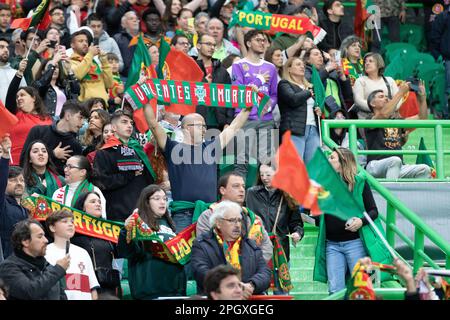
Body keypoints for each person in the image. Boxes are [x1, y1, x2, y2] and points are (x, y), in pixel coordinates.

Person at [143, 90, 254, 232]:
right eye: (199, 125)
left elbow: (234, 127)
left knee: (212, 253)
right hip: (183, 215)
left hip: (210, 213)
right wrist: (145, 98)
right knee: (183, 254)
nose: (203, 129)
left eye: (204, 126)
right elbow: (153, 124)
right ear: (185, 128)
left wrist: (248, 107)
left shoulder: (211, 147)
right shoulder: (172, 148)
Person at [313, 147, 392, 294]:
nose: (328, 160)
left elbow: (373, 211)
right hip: (332, 244)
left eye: (332, 158)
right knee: (335, 289)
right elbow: (319, 215)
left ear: (343, 162)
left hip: (354, 243)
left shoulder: (360, 182)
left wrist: (361, 221)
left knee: (359, 288)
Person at [191, 200, 271, 298]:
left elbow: (265, 272)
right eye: (232, 220)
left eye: (239, 220)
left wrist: (251, 285)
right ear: (218, 223)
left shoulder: (250, 245)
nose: (237, 225)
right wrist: (233, 286)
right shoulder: (202, 244)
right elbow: (201, 272)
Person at [118, 185, 186, 299]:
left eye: (165, 198)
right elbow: (126, 252)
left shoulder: (171, 225)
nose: (162, 202)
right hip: (149, 292)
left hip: (175, 291)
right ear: (147, 202)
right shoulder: (137, 225)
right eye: (157, 198)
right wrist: (126, 230)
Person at [196, 172, 273, 262]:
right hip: (220, 272)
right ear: (222, 190)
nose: (242, 190)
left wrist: (252, 267)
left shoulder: (253, 218)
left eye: (243, 186)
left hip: (252, 272)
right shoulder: (208, 216)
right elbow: (204, 247)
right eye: (236, 186)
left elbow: (267, 247)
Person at [232, 29, 278, 179]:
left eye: (264, 40)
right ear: (248, 43)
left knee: (266, 163)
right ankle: (239, 199)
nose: (262, 43)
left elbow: (274, 93)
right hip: (244, 119)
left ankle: (264, 199)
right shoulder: (238, 65)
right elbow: (238, 92)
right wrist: (258, 80)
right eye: (258, 40)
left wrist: (269, 106)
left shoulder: (270, 67)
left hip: (266, 120)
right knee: (241, 161)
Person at [94, 110, 155, 222]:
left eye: (131, 123)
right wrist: (128, 175)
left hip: (142, 212)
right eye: (124, 122)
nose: (129, 126)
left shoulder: (137, 149)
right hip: (118, 213)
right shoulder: (104, 152)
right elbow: (102, 182)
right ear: (114, 127)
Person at [365, 82, 432, 179]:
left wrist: (422, 98)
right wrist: (401, 93)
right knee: (395, 161)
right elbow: (383, 115)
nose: (386, 98)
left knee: (425, 169)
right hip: (375, 165)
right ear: (372, 103)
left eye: (386, 97)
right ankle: (390, 194)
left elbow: (422, 118)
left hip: (398, 166)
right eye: (381, 97)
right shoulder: (369, 119)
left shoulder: (396, 122)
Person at [246, 163, 303, 265]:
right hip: (257, 250)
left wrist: (298, 233)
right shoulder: (251, 194)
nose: (264, 178)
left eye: (268, 175)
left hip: (280, 251)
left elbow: (296, 223)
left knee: (281, 280)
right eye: (261, 174)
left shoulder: (288, 195)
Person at [0, 219, 69, 300]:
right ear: (25, 241)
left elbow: (62, 297)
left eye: (44, 236)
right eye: (40, 236)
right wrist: (58, 270)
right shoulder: (8, 267)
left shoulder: (49, 268)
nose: (46, 240)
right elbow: (29, 292)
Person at [20, 101, 89, 175]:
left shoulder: (76, 146)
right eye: (80, 118)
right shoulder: (38, 131)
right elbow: (23, 160)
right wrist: (53, 154)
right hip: (32, 181)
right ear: (68, 116)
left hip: (58, 185)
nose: (82, 123)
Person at [72, 191, 120, 297]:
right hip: (85, 286)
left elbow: (123, 252)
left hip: (108, 285)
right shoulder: (74, 232)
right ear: (83, 207)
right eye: (93, 202)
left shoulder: (108, 230)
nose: (98, 204)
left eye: (99, 202)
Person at [45, 210, 99, 300]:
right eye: (65, 221)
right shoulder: (45, 252)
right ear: (52, 228)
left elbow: (93, 288)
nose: (70, 224)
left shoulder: (83, 253)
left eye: (72, 222)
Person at [278, 57, 321, 163]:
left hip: (313, 129)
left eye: (303, 65)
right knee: (295, 166)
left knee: (312, 167)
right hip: (294, 130)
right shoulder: (284, 84)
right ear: (289, 69)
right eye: (298, 64)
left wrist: (317, 111)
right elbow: (293, 99)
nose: (302, 67)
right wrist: (308, 93)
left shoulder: (309, 87)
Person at [5, 80, 53, 165]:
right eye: (17, 97)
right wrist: (19, 75)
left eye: (22, 95)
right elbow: (10, 96)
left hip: (38, 163)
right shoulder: (14, 115)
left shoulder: (47, 119)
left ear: (33, 98)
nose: (19, 98)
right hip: (15, 164)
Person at [195, 34, 234, 131]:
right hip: (195, 122)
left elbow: (229, 97)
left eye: (214, 45)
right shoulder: (191, 68)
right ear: (198, 46)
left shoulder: (222, 71)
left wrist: (228, 122)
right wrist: (204, 83)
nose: (212, 47)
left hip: (218, 123)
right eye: (208, 44)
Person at [0, 136, 29, 259]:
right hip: (6, 263)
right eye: (13, 180)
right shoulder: (2, 203)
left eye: (21, 180)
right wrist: (6, 156)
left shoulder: (27, 207)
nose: (19, 183)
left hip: (26, 263)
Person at [32, 48, 80, 119]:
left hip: (64, 121)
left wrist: (69, 70)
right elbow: (43, 85)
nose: (54, 69)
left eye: (57, 67)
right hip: (47, 120)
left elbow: (76, 92)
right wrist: (54, 61)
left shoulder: (64, 86)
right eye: (52, 66)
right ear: (42, 71)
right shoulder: (38, 84)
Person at [69, 27, 113, 103]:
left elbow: (109, 84)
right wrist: (90, 54)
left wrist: (104, 62)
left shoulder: (93, 62)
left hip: (102, 104)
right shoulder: (70, 62)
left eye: (86, 41)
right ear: (72, 45)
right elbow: (77, 75)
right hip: (85, 105)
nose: (85, 44)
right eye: (80, 41)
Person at [353, 53, 400, 119]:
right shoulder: (360, 81)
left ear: (379, 64)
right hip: (368, 120)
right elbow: (359, 101)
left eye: (370, 61)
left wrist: (387, 110)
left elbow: (398, 99)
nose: (367, 63)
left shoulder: (390, 80)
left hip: (389, 119)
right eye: (365, 62)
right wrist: (378, 109)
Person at [430, 6, 450, 119]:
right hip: (449, 58)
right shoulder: (444, 16)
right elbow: (434, 37)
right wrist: (439, 56)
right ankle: (447, 117)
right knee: (449, 90)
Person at [113, 11, 140, 78]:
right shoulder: (117, 39)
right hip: (123, 78)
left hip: (142, 77)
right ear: (123, 24)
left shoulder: (144, 39)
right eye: (131, 18)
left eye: (136, 19)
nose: (135, 20)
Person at [0, 37, 26, 102]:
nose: (6, 50)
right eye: (1, 47)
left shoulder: (16, 73)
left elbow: (25, 95)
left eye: (7, 47)